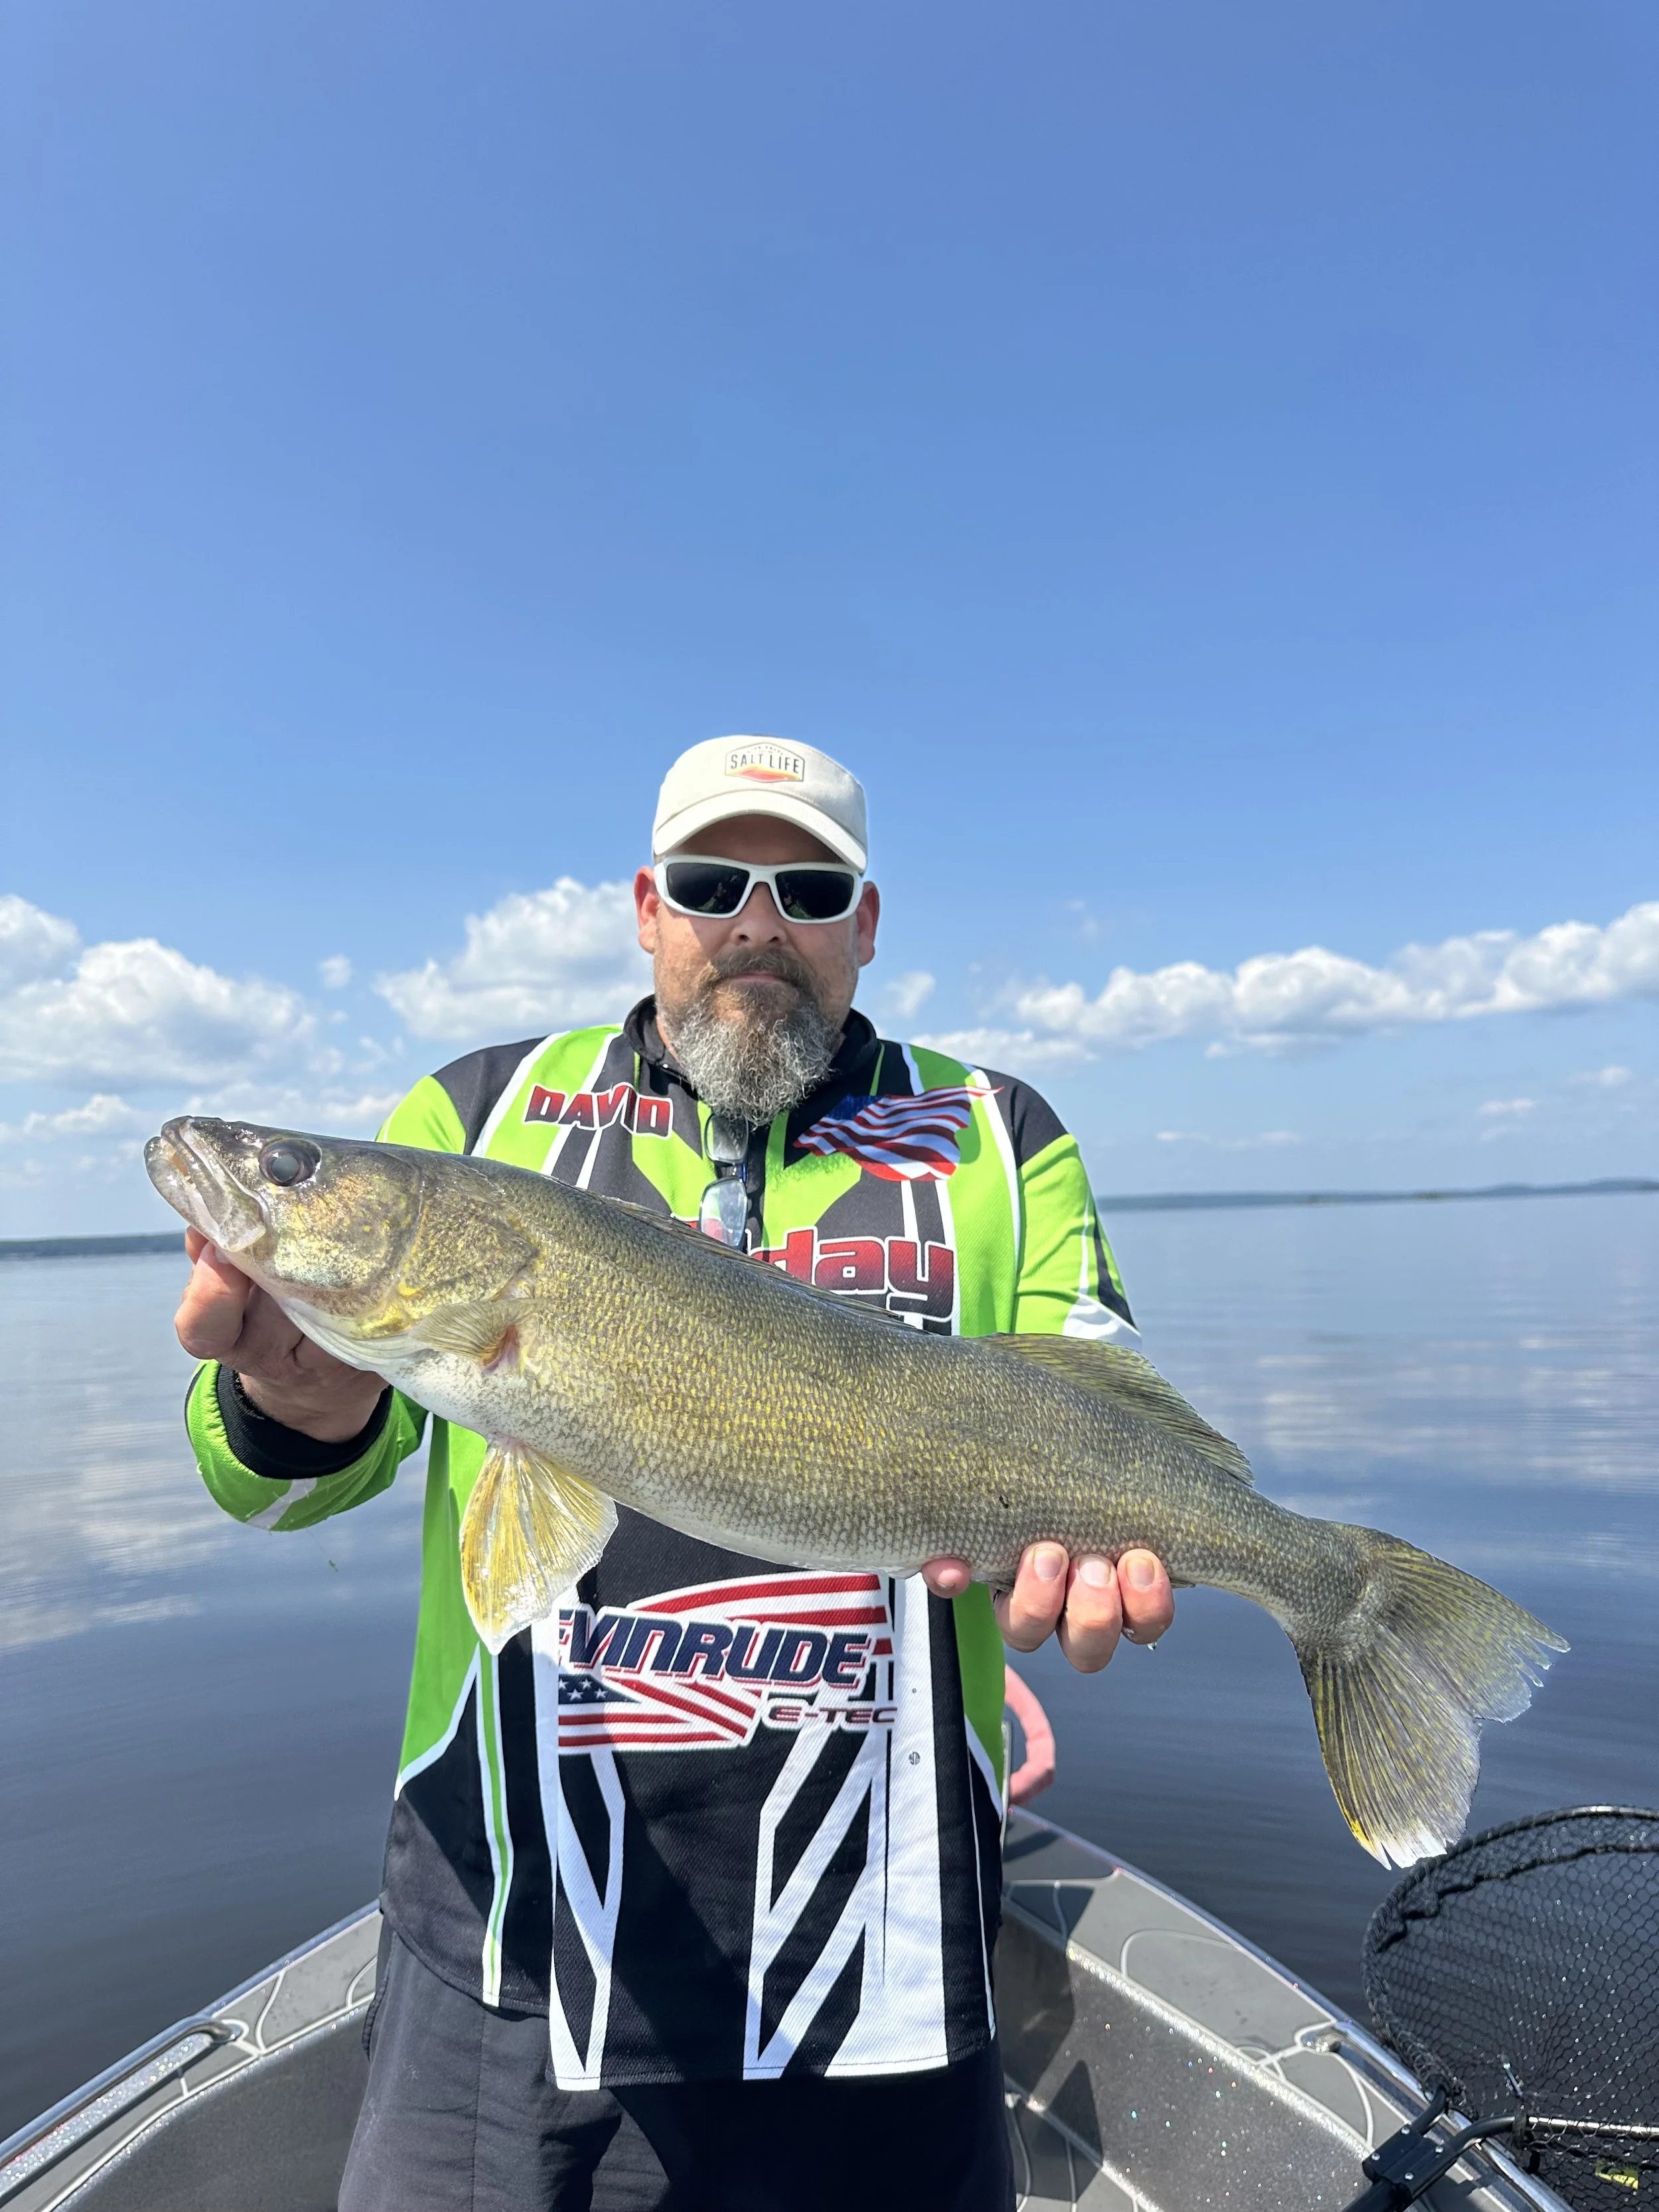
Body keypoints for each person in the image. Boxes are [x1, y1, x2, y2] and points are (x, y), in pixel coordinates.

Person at [174, 735, 1175, 2212]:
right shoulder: (476, 1113)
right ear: (647, 906)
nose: (756, 922)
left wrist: (1097, 1557)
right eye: (714, 881)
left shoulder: (996, 1134)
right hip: (517, 1944)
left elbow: (1089, 1407)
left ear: (866, 920)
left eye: (808, 886)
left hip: (887, 1946)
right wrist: (286, 1392)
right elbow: (280, 1482)